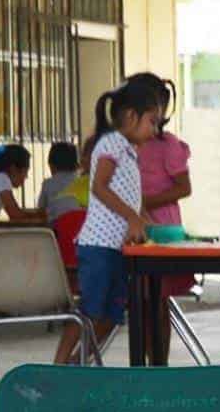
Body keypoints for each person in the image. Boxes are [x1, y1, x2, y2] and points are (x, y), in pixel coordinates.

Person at [55, 79, 162, 364]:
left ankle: (76, 364)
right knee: (91, 309)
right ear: (130, 116)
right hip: (99, 246)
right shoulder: (112, 143)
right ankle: (60, 362)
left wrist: (144, 222)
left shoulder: (130, 151)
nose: (155, 131)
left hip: (118, 249)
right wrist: (131, 216)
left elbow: (130, 196)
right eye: (152, 122)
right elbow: (99, 187)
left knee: (113, 315)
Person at [134, 73, 193, 361]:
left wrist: (144, 201)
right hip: (133, 228)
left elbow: (184, 188)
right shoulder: (124, 143)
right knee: (141, 301)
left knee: (157, 301)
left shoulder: (168, 145)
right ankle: (146, 363)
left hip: (161, 229)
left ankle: (159, 363)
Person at [38, 142, 84, 224]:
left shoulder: (48, 184)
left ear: (51, 165)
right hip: (80, 229)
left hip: (57, 230)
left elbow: (41, 210)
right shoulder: (82, 182)